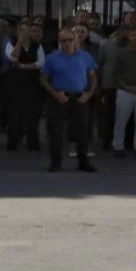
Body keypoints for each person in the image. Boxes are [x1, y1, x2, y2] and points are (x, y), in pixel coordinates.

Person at [40, 27, 99, 173]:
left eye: (70, 40)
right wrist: (55, 94)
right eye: (63, 41)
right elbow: (43, 79)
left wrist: (89, 93)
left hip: (79, 97)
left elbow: (92, 76)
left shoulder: (85, 57)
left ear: (76, 40)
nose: (67, 43)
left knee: (82, 132)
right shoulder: (52, 58)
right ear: (59, 42)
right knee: (56, 132)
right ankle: (56, 163)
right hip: (59, 97)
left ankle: (83, 162)